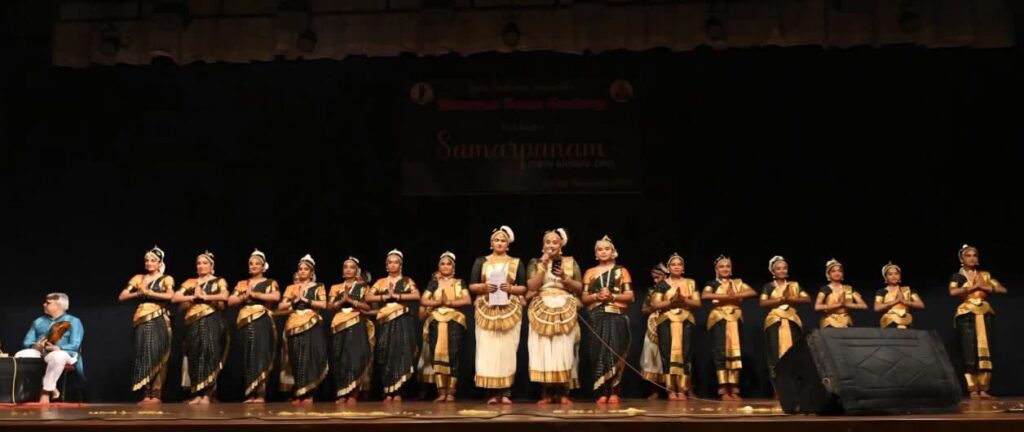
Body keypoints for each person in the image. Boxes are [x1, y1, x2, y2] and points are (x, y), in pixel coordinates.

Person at [468, 225, 527, 405]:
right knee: (487, 348)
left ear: (508, 244)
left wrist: (511, 289)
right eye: (496, 240)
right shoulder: (481, 261)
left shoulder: (516, 262)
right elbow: (472, 285)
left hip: (510, 308)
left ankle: (506, 391)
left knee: (508, 348)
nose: (500, 243)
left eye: (503, 240)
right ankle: (491, 392)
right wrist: (484, 287)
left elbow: (523, 287)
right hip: (486, 307)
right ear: (491, 243)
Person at [526, 228, 583, 405]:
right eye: (547, 242)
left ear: (561, 245)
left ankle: (563, 391)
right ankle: (546, 392)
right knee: (543, 348)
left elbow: (580, 288)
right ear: (543, 245)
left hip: (564, 305)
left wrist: (565, 277)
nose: (551, 245)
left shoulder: (570, 262)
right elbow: (532, 286)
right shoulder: (535, 262)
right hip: (542, 304)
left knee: (563, 347)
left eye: (555, 242)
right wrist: (543, 266)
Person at [171, 251, 230, 405]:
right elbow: (175, 297)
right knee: (194, 355)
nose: (201, 266)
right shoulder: (191, 282)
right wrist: (193, 297)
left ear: (211, 266)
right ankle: (196, 393)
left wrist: (205, 297)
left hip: (211, 320)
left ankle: (208, 394)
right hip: (193, 322)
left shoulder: (218, 281)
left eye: (205, 263)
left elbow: (225, 296)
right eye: (198, 263)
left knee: (210, 353)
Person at [581, 236, 634, 404]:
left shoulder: (622, 271)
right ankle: (602, 391)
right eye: (600, 249)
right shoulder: (590, 272)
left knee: (616, 351)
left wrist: (612, 296)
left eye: (606, 249)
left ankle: (615, 391)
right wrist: (596, 296)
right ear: (596, 253)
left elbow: (630, 296)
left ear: (613, 252)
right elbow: (584, 298)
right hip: (596, 317)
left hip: (616, 315)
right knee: (597, 353)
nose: (603, 252)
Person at [950, 244, 1007, 399]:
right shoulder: (958, 276)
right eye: (968, 255)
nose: (972, 258)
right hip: (966, 314)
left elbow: (1002, 289)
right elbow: (953, 291)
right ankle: (973, 389)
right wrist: (973, 287)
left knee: (985, 350)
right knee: (969, 350)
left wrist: (986, 287)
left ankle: (984, 389)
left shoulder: (985, 275)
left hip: (984, 313)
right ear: (962, 259)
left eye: (974, 255)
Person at [118, 245, 173, 404]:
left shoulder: (166, 279)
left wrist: (149, 293)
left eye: (153, 260)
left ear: (159, 263)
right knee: (144, 354)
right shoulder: (138, 279)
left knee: (158, 352)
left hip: (159, 318)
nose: (149, 263)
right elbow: (122, 296)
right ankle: (146, 394)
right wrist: (138, 292)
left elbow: (170, 295)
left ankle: (156, 394)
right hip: (141, 318)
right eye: (147, 260)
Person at [364, 249, 421, 403]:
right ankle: (388, 390)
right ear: (386, 265)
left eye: (396, 262)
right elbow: (368, 297)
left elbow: (417, 295)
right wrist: (385, 297)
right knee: (385, 353)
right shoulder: (380, 282)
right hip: (385, 321)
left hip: (403, 321)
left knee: (401, 352)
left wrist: (397, 296)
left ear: (400, 265)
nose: (393, 265)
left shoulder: (407, 281)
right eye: (390, 262)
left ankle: (398, 391)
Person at [227, 249, 281, 403]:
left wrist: (255, 295)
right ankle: (250, 393)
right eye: (251, 264)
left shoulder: (270, 282)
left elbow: (276, 296)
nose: (254, 266)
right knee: (248, 355)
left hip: (262, 320)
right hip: (245, 321)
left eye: (257, 263)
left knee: (261, 354)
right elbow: (231, 301)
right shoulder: (242, 284)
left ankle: (261, 393)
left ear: (264, 267)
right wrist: (245, 296)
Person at [702, 255, 756, 401]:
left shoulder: (737, 283)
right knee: (721, 353)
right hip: (719, 319)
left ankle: (734, 389)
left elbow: (752, 292)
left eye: (728, 266)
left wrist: (735, 294)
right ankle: (723, 389)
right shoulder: (712, 283)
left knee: (735, 353)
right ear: (716, 269)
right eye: (722, 266)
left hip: (735, 319)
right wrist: (727, 297)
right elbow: (705, 295)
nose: (725, 269)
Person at [15, 293, 85, 404]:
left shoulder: (73, 321)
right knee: (21, 355)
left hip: (64, 353)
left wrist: (58, 347)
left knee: (57, 356)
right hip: (41, 353)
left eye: (48, 303)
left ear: (59, 305)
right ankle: (47, 388)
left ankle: (45, 392)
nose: (44, 304)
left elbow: (75, 344)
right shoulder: (38, 321)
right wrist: (35, 346)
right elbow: (26, 342)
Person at [278, 254, 329, 404]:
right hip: (294, 324)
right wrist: (294, 301)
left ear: (311, 272)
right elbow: (281, 305)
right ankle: (299, 392)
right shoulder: (291, 288)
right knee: (296, 358)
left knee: (309, 357)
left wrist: (306, 300)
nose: (302, 271)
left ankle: (309, 394)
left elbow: (323, 304)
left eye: (306, 269)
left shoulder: (318, 287)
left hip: (311, 323)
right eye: (300, 269)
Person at [421, 251, 471, 402]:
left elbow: (467, 300)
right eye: (442, 264)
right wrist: (437, 303)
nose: (445, 266)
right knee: (436, 355)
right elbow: (423, 300)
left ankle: (451, 392)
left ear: (453, 268)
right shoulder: (433, 283)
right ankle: (441, 392)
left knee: (453, 354)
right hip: (436, 320)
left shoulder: (459, 282)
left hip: (454, 320)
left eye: (448, 264)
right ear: (439, 267)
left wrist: (450, 303)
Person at [328, 256, 375, 405]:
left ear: (357, 271)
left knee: (355, 357)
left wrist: (351, 301)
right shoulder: (335, 287)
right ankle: (342, 393)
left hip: (356, 322)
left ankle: (354, 393)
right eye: (346, 267)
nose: (348, 270)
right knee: (340, 358)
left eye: (352, 267)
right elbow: (329, 306)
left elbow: (368, 307)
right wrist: (342, 301)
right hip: (338, 324)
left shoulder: (363, 288)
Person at [759, 256, 810, 385]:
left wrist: (790, 299)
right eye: (779, 268)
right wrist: (780, 300)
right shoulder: (769, 286)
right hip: (774, 320)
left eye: (784, 268)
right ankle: (777, 387)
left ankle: (794, 386)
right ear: (773, 271)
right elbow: (762, 302)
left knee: (794, 352)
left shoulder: (794, 285)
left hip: (792, 320)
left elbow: (807, 299)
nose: (782, 271)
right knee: (775, 352)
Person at [640, 262, 669, 400]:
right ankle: (655, 390)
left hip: (671, 320)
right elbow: (644, 309)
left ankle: (679, 389)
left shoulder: (673, 288)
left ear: (665, 276)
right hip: (654, 323)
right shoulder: (651, 291)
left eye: (658, 277)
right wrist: (653, 308)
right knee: (651, 354)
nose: (656, 280)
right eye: (654, 278)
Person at [814, 258, 867, 329]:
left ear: (842, 274)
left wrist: (845, 304)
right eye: (833, 271)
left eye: (840, 271)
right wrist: (838, 304)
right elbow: (817, 307)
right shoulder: (825, 289)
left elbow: (863, 305)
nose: (837, 273)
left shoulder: (848, 289)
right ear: (828, 274)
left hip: (845, 320)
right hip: (829, 320)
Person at [874, 262, 924, 329]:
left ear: (900, 276)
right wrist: (896, 301)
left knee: (903, 328)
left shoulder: (908, 290)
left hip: (905, 319)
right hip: (889, 320)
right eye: (890, 274)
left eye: (896, 273)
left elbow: (920, 305)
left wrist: (904, 301)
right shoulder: (882, 291)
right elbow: (877, 308)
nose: (894, 276)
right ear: (885, 277)